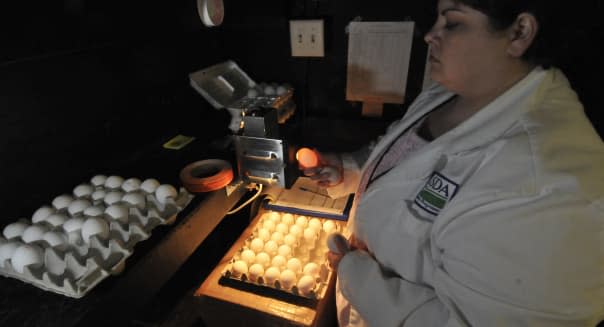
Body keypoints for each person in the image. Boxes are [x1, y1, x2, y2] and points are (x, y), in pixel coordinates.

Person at [303, 0, 604, 325]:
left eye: (453, 23)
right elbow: (407, 156)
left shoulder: (543, 182)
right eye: (437, 20)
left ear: (519, 32)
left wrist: (355, 273)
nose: (430, 35)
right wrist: (350, 169)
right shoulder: (449, 93)